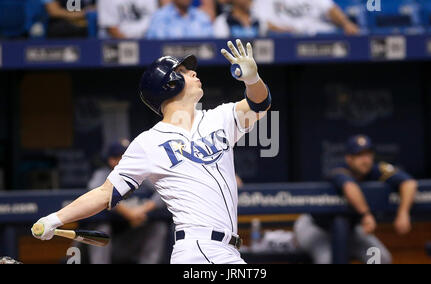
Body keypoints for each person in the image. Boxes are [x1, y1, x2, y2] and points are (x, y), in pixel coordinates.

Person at [31, 39, 272, 264]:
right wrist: (55, 218)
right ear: (169, 84)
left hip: (227, 250)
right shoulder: (148, 143)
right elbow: (105, 193)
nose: (194, 72)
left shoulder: (219, 118)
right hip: (199, 250)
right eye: (184, 72)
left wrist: (253, 80)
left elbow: (259, 104)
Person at [294, 135, 418, 264]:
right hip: (317, 228)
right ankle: (289, 240)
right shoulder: (338, 170)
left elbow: (409, 183)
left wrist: (403, 213)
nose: (365, 160)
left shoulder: (375, 170)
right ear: (349, 158)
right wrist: (366, 214)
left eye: (368, 154)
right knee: (327, 261)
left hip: (350, 231)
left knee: (379, 259)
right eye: (359, 155)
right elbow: (349, 186)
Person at [81, 141, 168, 264]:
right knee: (101, 228)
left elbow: (164, 190)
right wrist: (127, 213)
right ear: (111, 160)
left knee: (158, 226)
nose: (128, 160)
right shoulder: (102, 174)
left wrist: (141, 210)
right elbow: (97, 193)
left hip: (128, 241)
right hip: (107, 245)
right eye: (122, 157)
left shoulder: (140, 174)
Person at [253, 0, 360, 36]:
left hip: (319, 36)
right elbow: (264, 23)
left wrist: (346, 23)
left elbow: (330, 8)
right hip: (285, 37)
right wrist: (289, 32)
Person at [146, 0, 214, 39]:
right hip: (168, 63)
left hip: (199, 63)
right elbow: (154, 46)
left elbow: (210, 45)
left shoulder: (201, 17)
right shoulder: (160, 16)